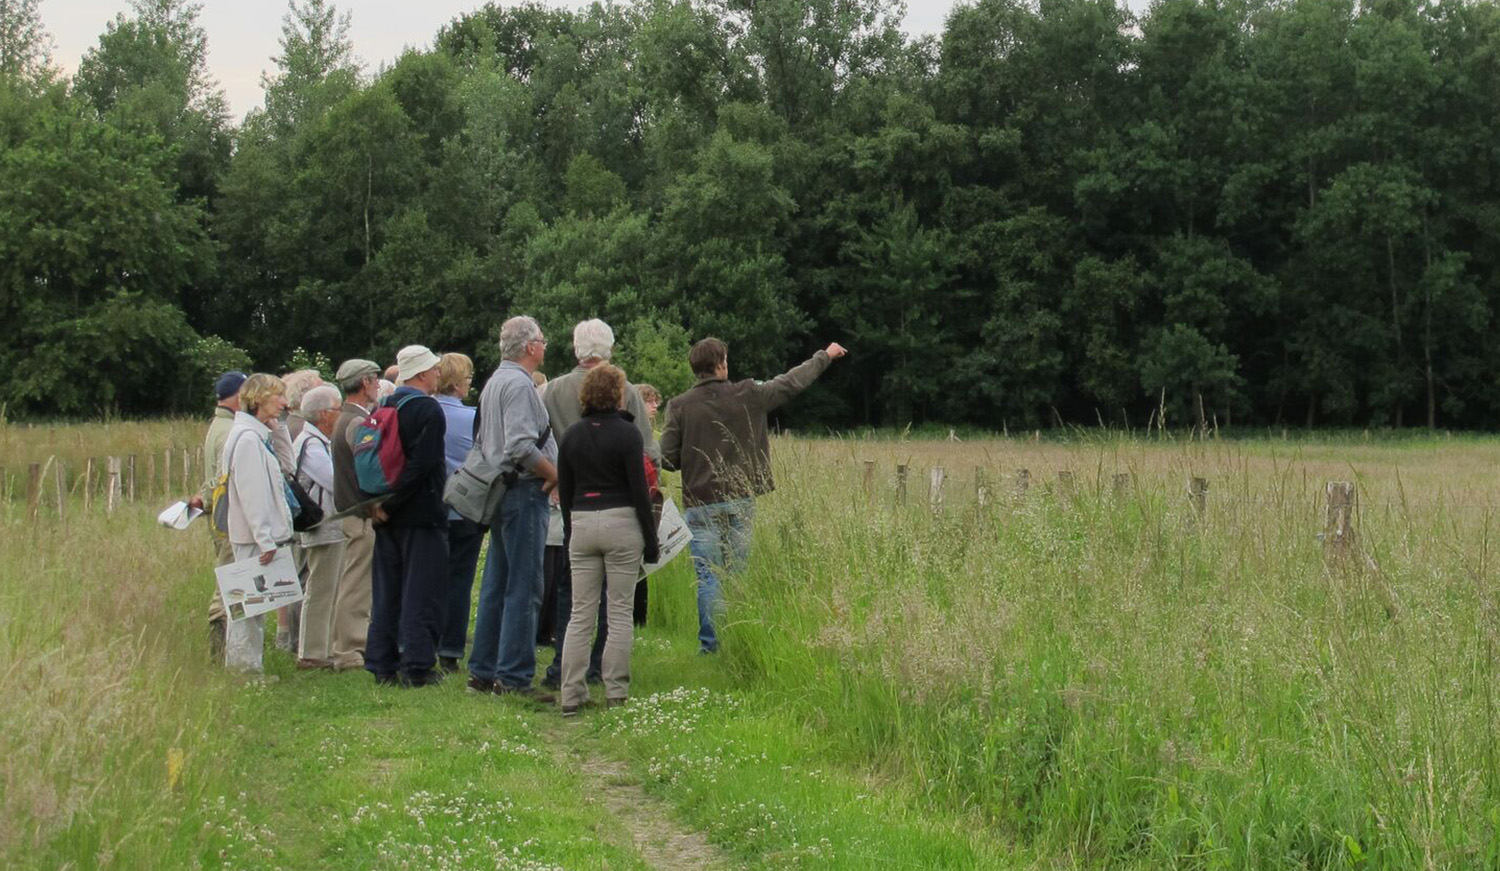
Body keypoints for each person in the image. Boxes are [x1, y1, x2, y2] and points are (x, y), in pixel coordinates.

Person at [661, 338, 848, 653]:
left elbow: (666, 458)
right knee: (736, 574)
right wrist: (824, 356)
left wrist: (692, 457)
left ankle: (711, 647)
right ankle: (738, 642)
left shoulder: (679, 406)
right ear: (720, 363)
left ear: (696, 369)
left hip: (701, 502)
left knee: (709, 576)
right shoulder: (749, 393)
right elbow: (792, 382)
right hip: (741, 499)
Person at [538, 318, 657, 690]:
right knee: (614, 600)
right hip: (620, 505)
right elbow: (647, 457)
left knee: (571, 595)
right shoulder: (629, 392)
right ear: (609, 349)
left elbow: (540, 442)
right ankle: (603, 671)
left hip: (567, 501)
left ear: (576, 348)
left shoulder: (551, 392)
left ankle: (562, 670)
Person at [557, 365, 659, 715]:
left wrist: (572, 535)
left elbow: (567, 491)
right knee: (618, 612)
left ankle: (571, 694)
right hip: (621, 521)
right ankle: (615, 691)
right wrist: (651, 537)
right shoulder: (628, 435)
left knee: (580, 614)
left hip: (583, 521)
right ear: (618, 394)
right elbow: (640, 491)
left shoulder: (571, 436)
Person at [467, 315, 558, 702]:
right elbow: (520, 446)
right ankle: (515, 677)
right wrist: (555, 474)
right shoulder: (519, 385)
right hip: (522, 491)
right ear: (530, 347)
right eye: (542, 339)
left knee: (496, 584)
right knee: (524, 586)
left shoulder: (494, 382)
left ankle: (483, 672)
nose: (545, 346)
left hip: (502, 491)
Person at [365, 345, 450, 687]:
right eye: (434, 369)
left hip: (384, 514)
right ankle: (417, 665)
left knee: (387, 590)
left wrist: (378, 504)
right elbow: (424, 464)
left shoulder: (383, 406)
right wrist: (396, 501)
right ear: (422, 373)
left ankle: (382, 663)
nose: (438, 375)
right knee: (421, 591)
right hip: (420, 513)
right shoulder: (427, 410)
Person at [221, 374, 295, 674]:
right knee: (247, 609)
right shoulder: (248, 439)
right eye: (277, 396)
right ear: (260, 399)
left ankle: (249, 668)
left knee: (254, 607)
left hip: (251, 534)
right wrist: (265, 539)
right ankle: (244, 671)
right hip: (252, 537)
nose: (284, 403)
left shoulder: (251, 434)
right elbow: (253, 495)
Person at [187, 370, 246, 660]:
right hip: (228, 518)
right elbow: (224, 479)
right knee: (230, 580)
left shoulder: (218, 426)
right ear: (238, 395)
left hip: (218, 515)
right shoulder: (229, 432)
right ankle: (221, 650)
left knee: (229, 577)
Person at [329, 359, 380, 671]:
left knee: (355, 581)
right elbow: (368, 470)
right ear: (365, 383)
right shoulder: (357, 423)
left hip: (352, 512)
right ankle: (349, 649)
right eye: (374, 380)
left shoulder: (344, 418)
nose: (376, 386)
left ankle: (350, 645)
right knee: (356, 584)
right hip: (360, 515)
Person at [434, 352, 483, 673]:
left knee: (428, 578)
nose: (469, 385)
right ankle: (450, 648)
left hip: (431, 507)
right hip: (465, 508)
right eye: (467, 379)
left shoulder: (423, 411)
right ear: (456, 383)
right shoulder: (473, 417)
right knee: (460, 579)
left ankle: (424, 638)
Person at [290, 384, 345, 669]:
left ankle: (323, 649)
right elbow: (333, 480)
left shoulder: (314, 441)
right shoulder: (311, 444)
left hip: (328, 525)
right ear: (324, 414)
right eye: (338, 408)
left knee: (328, 587)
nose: (341, 414)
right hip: (322, 525)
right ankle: (312, 652)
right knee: (321, 588)